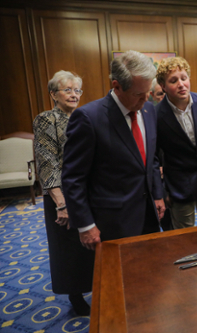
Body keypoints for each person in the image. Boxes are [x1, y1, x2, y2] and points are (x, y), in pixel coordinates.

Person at [62, 50, 166, 251]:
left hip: (149, 215)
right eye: (138, 94)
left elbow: (150, 158)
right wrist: (85, 225)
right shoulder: (89, 118)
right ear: (117, 87)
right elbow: (73, 178)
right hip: (113, 222)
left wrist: (157, 194)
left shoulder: (149, 109)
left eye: (149, 91)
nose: (146, 98)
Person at [33, 70, 94, 316]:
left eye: (77, 90)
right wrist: (61, 203)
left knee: (91, 242)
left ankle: (95, 285)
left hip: (88, 192)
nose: (73, 94)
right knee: (69, 249)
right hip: (63, 196)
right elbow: (47, 162)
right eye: (67, 89)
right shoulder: (47, 119)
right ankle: (75, 295)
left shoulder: (86, 115)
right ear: (53, 94)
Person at [155, 57, 197, 229]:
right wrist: (161, 191)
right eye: (173, 81)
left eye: (184, 78)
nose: (181, 84)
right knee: (185, 237)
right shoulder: (156, 114)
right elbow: (154, 157)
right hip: (179, 185)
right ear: (163, 86)